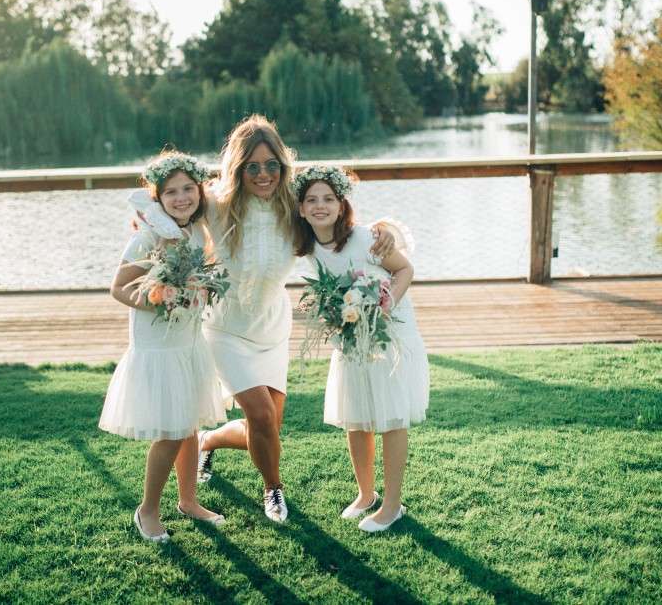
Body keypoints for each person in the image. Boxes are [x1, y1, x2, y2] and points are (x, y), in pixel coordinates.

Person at [131, 115, 398, 523]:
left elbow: (333, 214)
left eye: (271, 164)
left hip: (273, 328)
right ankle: (273, 489)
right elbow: (157, 199)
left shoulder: (293, 203)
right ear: (237, 168)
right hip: (225, 328)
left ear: (282, 166)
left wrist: (383, 229)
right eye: (252, 166)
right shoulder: (215, 203)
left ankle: (208, 442)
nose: (262, 174)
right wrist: (151, 222)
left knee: (268, 425)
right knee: (260, 416)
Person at [99, 150, 228, 542]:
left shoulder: (198, 231)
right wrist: (160, 302)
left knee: (189, 424)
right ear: (158, 197)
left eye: (188, 189)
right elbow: (119, 287)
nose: (181, 197)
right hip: (159, 343)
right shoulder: (149, 235)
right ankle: (147, 511)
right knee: (171, 430)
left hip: (187, 340)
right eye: (171, 192)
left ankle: (189, 501)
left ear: (199, 192)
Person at [293, 164, 429, 532]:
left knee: (390, 417)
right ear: (300, 209)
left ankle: (392, 505)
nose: (320, 206)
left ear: (341, 204)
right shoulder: (308, 246)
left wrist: (384, 307)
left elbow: (404, 270)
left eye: (328, 198)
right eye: (311, 200)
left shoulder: (367, 237)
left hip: (388, 333)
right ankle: (366, 494)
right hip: (351, 336)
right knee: (357, 417)